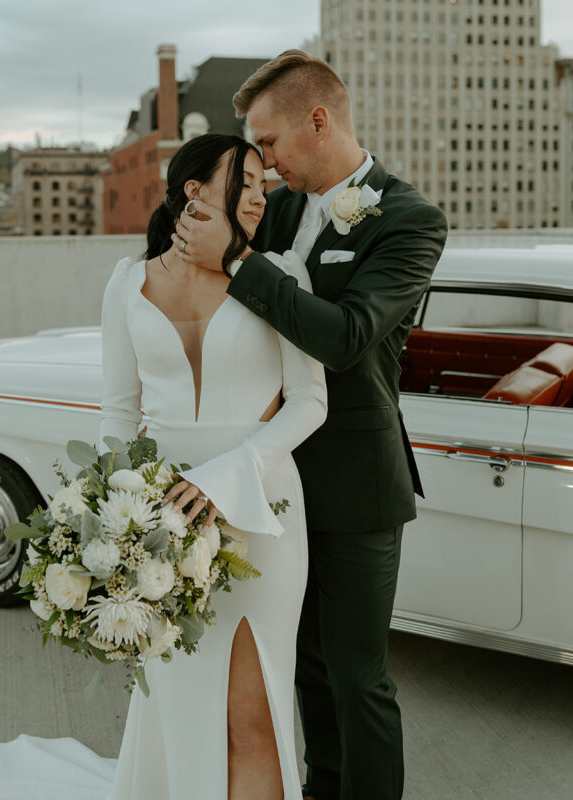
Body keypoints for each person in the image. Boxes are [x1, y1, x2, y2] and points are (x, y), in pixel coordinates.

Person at [0, 132, 328, 800]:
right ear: (194, 191)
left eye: (262, 185)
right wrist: (110, 522)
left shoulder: (279, 274)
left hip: (259, 511)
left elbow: (310, 402)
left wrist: (224, 476)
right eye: (245, 182)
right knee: (179, 704)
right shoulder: (126, 283)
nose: (260, 195)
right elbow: (116, 414)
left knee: (251, 710)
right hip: (155, 521)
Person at [172, 51, 448, 800]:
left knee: (359, 680)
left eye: (267, 144)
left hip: (357, 487)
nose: (261, 166)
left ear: (317, 120)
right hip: (271, 478)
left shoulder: (410, 219)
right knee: (303, 669)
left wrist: (235, 260)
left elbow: (347, 336)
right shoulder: (283, 207)